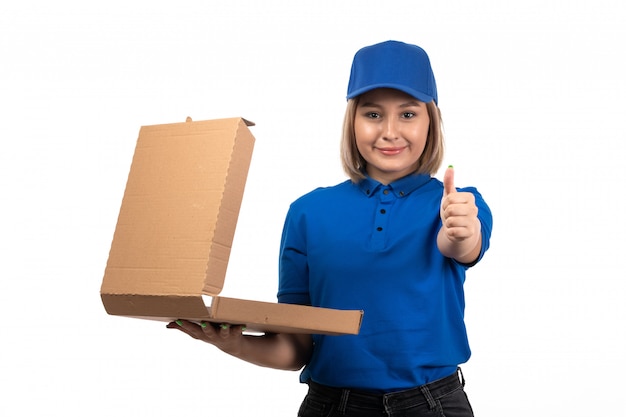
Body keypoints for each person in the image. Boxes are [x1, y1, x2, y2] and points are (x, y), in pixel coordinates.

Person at [167, 40, 493, 417]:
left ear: (430, 120)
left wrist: (460, 233)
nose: (390, 131)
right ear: (352, 120)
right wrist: (231, 343)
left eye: (408, 114)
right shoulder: (308, 212)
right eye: (373, 114)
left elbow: (462, 246)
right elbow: (295, 348)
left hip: (432, 406)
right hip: (333, 406)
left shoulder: (458, 204)